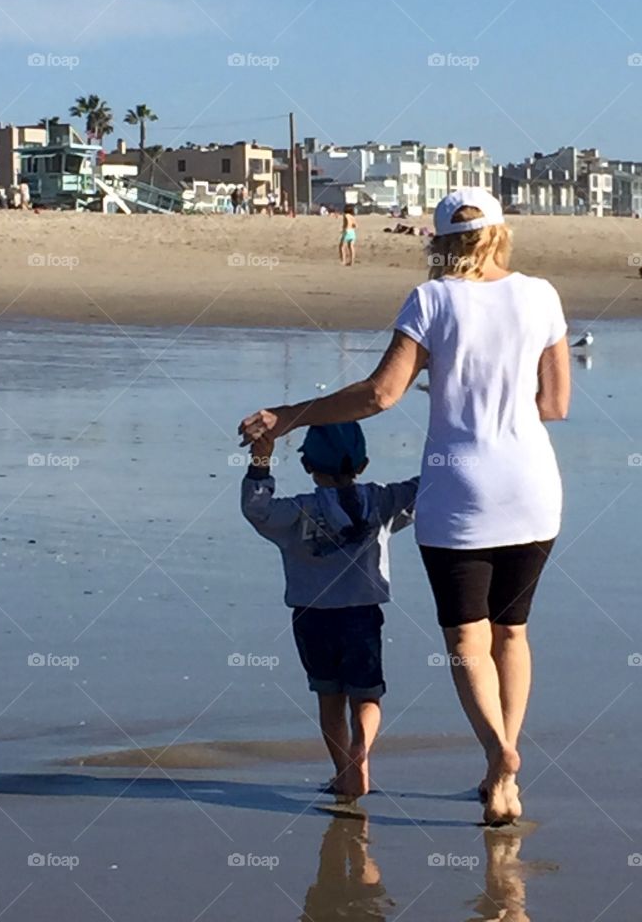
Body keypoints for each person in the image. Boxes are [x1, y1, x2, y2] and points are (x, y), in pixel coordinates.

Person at [239, 187, 571, 825]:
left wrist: (287, 417)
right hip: (533, 487)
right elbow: (554, 404)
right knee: (512, 631)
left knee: (465, 639)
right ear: (501, 234)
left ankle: (498, 752)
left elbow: (379, 395)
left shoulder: (433, 299)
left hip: (460, 490)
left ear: (440, 244)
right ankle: (503, 774)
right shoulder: (542, 294)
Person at [240, 422, 418, 800]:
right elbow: (426, 490)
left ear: (308, 466)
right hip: (363, 615)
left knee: (329, 699)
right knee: (367, 695)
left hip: (312, 617)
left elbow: (257, 510)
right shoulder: (380, 500)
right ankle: (362, 751)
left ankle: (344, 772)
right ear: (364, 463)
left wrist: (260, 463)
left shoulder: (298, 510)